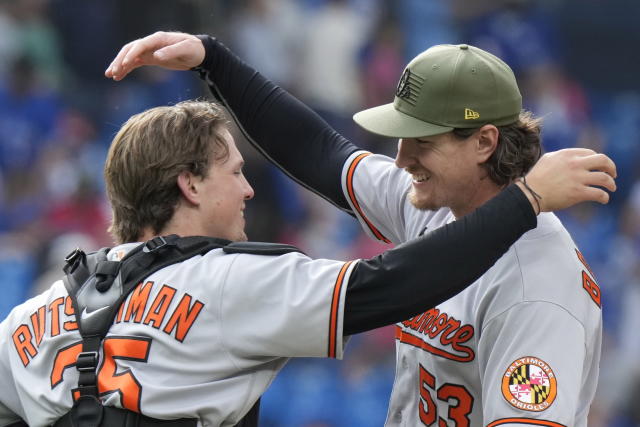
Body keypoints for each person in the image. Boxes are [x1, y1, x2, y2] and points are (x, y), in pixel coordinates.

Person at [105, 32, 618, 426]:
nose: (402, 158)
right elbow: (321, 154)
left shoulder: (541, 288)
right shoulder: (435, 203)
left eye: (421, 141)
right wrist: (211, 58)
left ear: (484, 142)